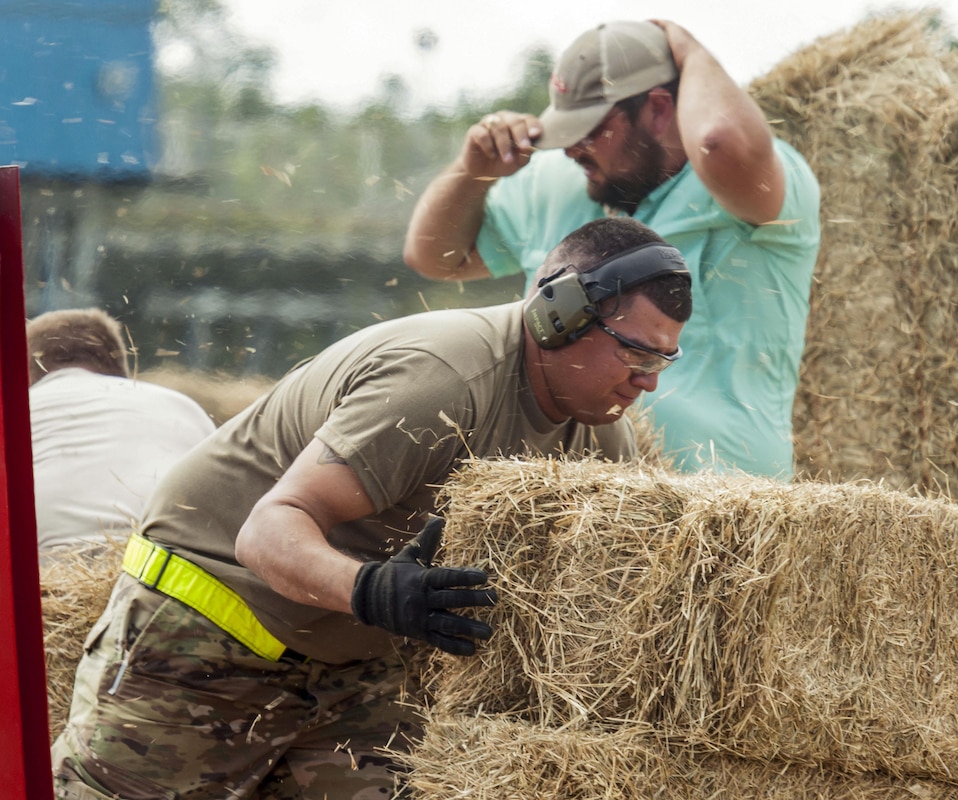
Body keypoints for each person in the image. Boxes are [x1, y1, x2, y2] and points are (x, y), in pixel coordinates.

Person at [50, 217, 692, 799]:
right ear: (561, 313)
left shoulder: (602, 433)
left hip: (353, 661)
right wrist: (373, 590)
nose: (650, 380)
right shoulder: (441, 382)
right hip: (209, 618)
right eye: (635, 351)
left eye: (664, 357)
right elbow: (268, 530)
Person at [404, 19, 821, 479]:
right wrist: (471, 172)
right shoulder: (554, 183)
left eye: (591, 128)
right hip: (568, 496)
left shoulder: (752, 186)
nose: (570, 150)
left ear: (659, 110)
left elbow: (718, 140)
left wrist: (691, 51)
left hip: (722, 501)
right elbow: (434, 257)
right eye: (564, 130)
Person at [26, 308, 216, 552]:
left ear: (27, 371)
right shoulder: (180, 405)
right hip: (165, 565)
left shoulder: (16, 411)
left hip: (41, 566)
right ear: (119, 364)